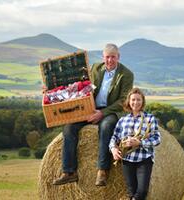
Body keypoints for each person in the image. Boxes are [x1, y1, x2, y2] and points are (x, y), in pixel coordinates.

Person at [52, 43, 134, 186]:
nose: (110, 60)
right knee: (69, 128)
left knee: (106, 127)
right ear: (103, 57)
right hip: (90, 108)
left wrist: (102, 113)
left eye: (113, 57)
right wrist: (51, 90)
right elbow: (80, 85)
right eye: (107, 57)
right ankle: (69, 172)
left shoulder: (126, 74)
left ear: (118, 57)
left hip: (111, 110)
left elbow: (123, 100)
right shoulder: (95, 68)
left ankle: (102, 170)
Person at [109, 88, 161, 200]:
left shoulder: (150, 118)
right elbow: (114, 137)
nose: (135, 102)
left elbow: (157, 139)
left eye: (138, 100)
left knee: (142, 192)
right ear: (129, 101)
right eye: (133, 100)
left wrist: (140, 142)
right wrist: (113, 148)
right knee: (131, 192)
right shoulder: (123, 120)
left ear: (142, 102)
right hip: (127, 160)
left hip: (144, 159)